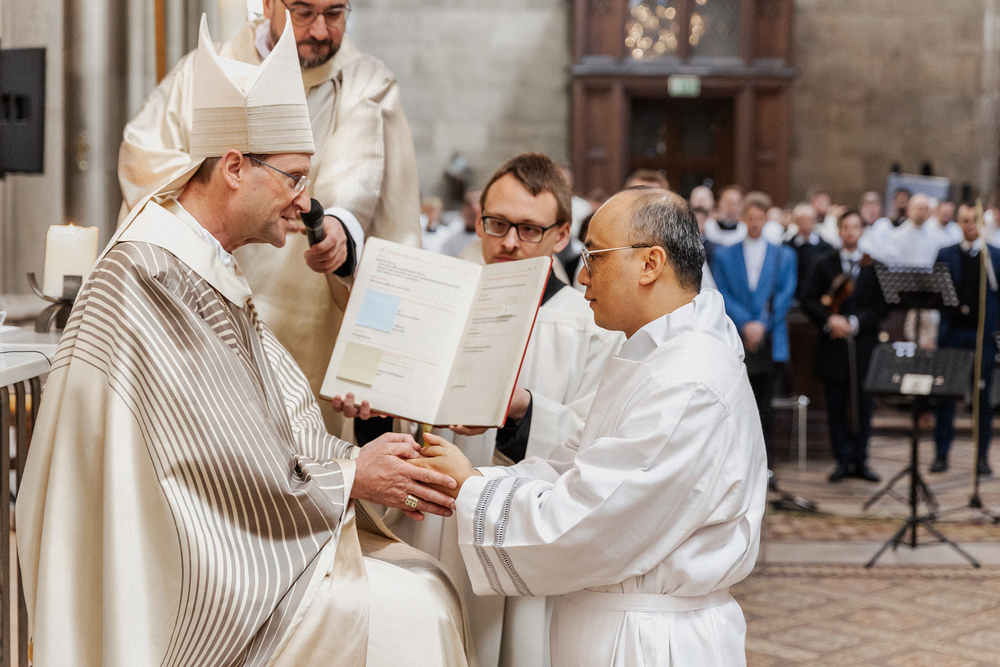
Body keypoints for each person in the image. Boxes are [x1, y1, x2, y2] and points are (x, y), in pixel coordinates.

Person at [18, 20, 471, 667]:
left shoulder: (202, 264)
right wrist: (350, 475)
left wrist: (357, 456)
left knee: (425, 584)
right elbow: (206, 460)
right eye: (294, 178)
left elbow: (258, 427)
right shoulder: (152, 271)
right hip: (177, 572)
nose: (305, 203)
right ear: (234, 167)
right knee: (420, 606)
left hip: (220, 539)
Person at [410, 187, 767, 666]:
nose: (581, 275)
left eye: (594, 256)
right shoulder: (659, 355)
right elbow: (574, 464)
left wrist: (471, 489)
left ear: (650, 263)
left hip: (649, 643)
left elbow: (590, 523)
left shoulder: (689, 381)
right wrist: (470, 479)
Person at [336, 153, 624, 667]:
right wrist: (373, 413)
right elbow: (399, 422)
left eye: (529, 229)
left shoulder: (589, 324)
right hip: (428, 528)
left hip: (519, 536)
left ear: (561, 235)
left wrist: (522, 412)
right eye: (497, 224)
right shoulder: (437, 303)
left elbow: (598, 441)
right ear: (478, 221)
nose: (509, 242)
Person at [118, 0, 421, 433]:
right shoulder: (206, 70)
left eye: (335, 13)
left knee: (304, 447)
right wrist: (216, 198)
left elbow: (358, 173)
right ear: (267, 4)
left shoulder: (363, 81)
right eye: (303, 12)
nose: (321, 30)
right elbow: (143, 155)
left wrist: (336, 229)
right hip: (201, 307)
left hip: (311, 319)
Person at [713, 191, 797, 472]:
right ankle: (738, 466)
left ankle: (765, 466)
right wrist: (745, 324)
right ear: (743, 218)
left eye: (760, 218)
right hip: (738, 337)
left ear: (766, 219)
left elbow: (784, 294)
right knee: (737, 405)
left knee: (765, 406)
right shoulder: (725, 255)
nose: (755, 222)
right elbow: (722, 292)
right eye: (751, 217)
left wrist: (761, 324)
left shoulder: (783, 255)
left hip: (770, 339)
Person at [800, 211, 886, 482]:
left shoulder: (874, 266)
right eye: (846, 227)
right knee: (835, 405)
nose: (850, 232)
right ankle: (841, 460)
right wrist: (830, 320)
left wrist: (856, 322)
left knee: (864, 407)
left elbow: (881, 307)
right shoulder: (823, 263)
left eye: (855, 227)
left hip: (864, 346)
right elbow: (808, 299)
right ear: (839, 231)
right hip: (833, 346)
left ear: (862, 231)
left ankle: (861, 460)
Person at [932, 204, 1000, 475]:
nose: (970, 225)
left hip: (983, 335)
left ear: (982, 224)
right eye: (965, 220)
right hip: (953, 333)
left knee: (982, 398)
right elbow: (936, 294)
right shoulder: (945, 253)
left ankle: (981, 457)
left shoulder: (994, 256)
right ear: (959, 223)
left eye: (975, 220)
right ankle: (941, 454)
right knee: (945, 396)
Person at [787, 202, 833, 298]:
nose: (805, 224)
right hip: (793, 296)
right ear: (795, 222)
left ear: (815, 221)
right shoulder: (787, 247)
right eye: (801, 220)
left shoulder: (826, 248)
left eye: (809, 220)